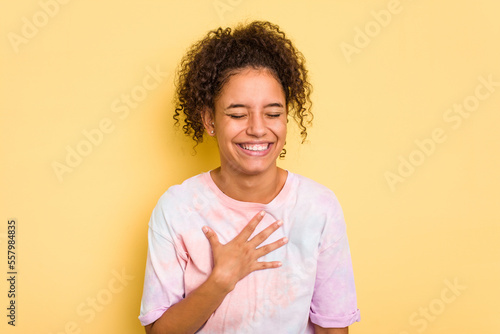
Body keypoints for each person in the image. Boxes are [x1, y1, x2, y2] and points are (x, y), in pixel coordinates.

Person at [139, 21, 360, 334]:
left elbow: (332, 327)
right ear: (209, 119)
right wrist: (221, 280)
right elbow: (159, 332)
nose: (258, 128)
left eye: (272, 113)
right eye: (237, 114)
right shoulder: (177, 208)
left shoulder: (318, 207)